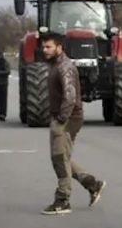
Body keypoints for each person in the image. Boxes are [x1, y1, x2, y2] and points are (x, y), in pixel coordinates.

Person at [41, 31, 105, 215]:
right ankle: (93, 185)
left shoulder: (64, 67)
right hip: (63, 117)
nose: (44, 50)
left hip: (68, 118)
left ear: (59, 47)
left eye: (48, 47)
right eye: (44, 46)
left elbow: (70, 97)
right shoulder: (55, 64)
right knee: (64, 157)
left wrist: (61, 118)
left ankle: (62, 200)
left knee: (59, 158)